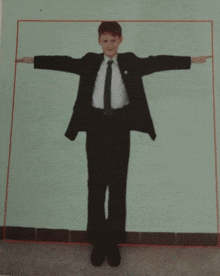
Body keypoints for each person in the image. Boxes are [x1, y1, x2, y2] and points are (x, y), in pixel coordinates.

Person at [17, 21, 211, 267]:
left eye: (113, 40)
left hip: (120, 127)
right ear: (99, 41)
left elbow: (157, 62)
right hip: (96, 127)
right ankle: (98, 242)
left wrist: (190, 60)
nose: (109, 45)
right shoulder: (89, 61)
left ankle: (114, 243)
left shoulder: (129, 61)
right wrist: (33, 60)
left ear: (120, 40)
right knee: (96, 187)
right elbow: (64, 62)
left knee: (118, 187)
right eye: (105, 41)